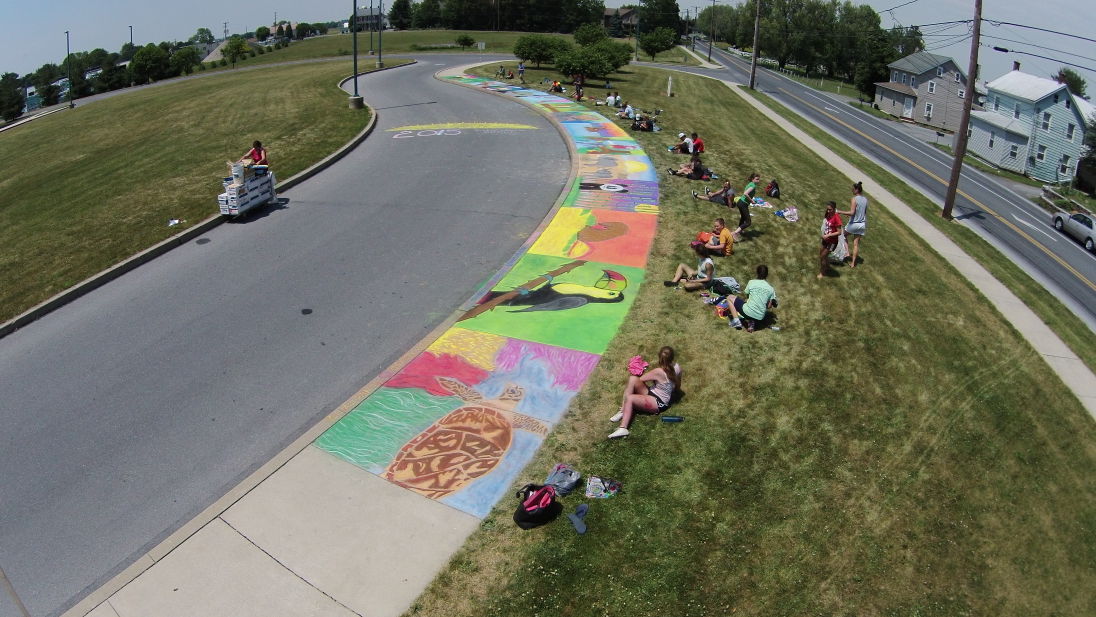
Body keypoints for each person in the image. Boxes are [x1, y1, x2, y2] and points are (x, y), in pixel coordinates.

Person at [608, 346, 681, 439]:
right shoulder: (677, 367)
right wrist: (672, 391)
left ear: (660, 358)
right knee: (632, 379)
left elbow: (642, 379)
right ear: (672, 357)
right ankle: (623, 410)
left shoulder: (658, 371)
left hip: (658, 403)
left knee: (630, 398)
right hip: (654, 394)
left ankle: (623, 428)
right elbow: (678, 385)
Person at [727, 264, 776, 332]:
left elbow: (747, 295)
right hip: (760, 317)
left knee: (729, 298)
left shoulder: (752, 282)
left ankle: (736, 321)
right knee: (753, 306)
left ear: (757, 272)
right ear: (767, 274)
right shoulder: (771, 289)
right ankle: (751, 323)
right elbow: (768, 306)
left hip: (747, 312)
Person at [837, 181, 868, 268]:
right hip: (862, 224)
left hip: (854, 224)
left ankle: (846, 253)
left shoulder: (854, 199)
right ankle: (853, 263)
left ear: (857, 190)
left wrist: (840, 211)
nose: (852, 190)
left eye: (853, 189)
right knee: (856, 244)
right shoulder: (865, 200)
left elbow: (852, 212)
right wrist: (851, 214)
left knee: (842, 235)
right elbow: (863, 212)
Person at [818, 200, 844, 279]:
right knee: (821, 253)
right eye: (827, 209)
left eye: (830, 209)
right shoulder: (828, 214)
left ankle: (822, 273)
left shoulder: (837, 218)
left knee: (823, 256)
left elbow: (839, 232)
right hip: (826, 239)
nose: (828, 211)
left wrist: (828, 235)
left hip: (832, 242)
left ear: (834, 209)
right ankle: (828, 266)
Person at [731, 173, 760, 240]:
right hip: (743, 204)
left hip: (740, 202)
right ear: (753, 179)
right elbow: (745, 193)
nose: (758, 181)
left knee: (743, 217)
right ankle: (734, 233)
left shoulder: (750, 184)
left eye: (759, 179)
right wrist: (752, 201)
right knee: (748, 222)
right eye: (757, 179)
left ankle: (739, 231)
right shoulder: (753, 186)